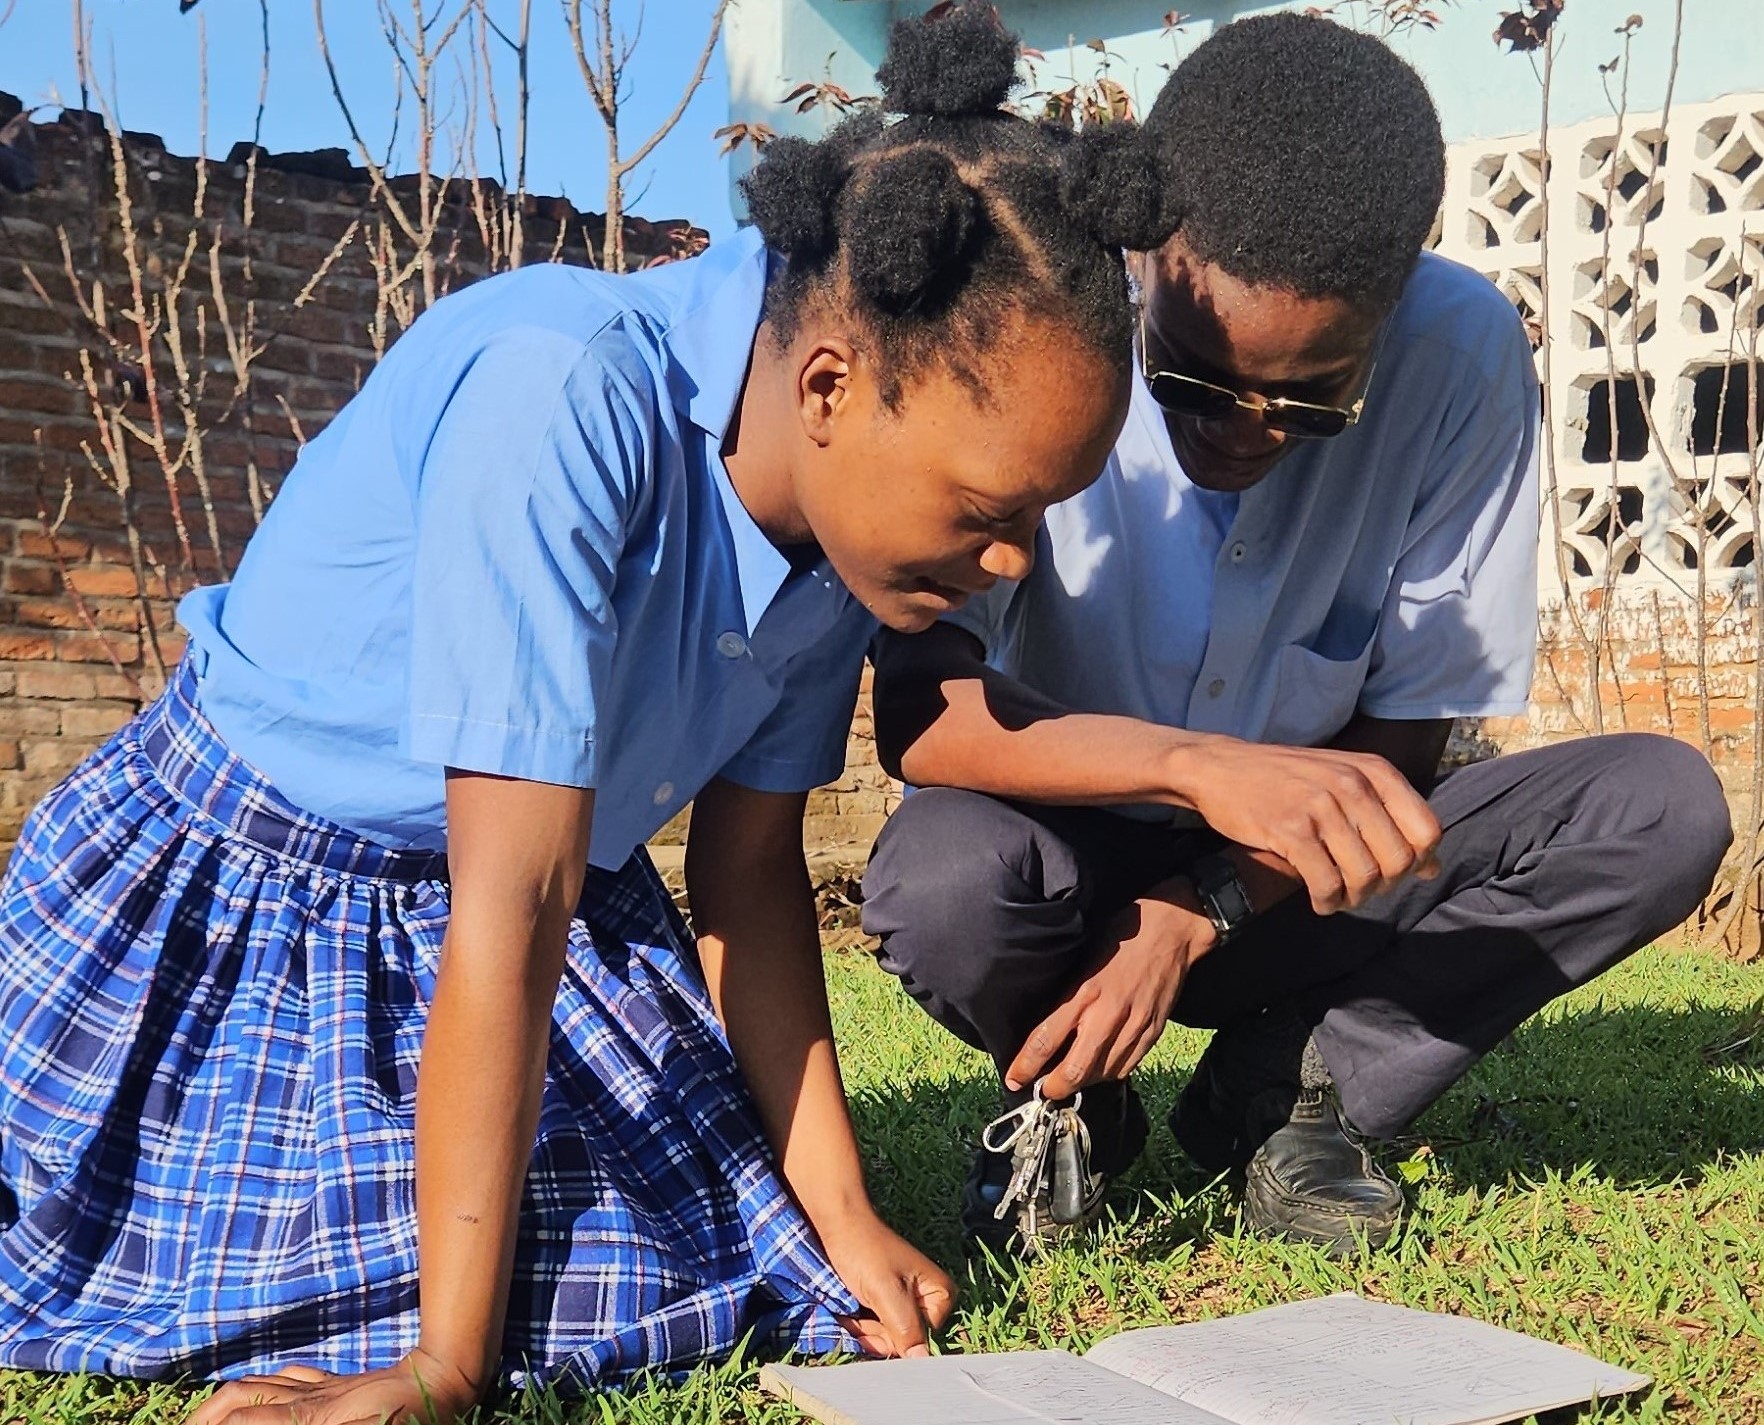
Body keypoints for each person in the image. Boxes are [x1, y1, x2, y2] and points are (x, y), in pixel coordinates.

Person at [0, 9, 1175, 1421]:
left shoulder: (850, 546)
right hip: (257, 902)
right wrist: (445, 1368)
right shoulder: (561, 395)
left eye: (1042, 517)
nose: (1017, 563)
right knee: (355, 1280)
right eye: (995, 514)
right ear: (827, 387)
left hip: (523, 914)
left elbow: (747, 878)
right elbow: (522, 896)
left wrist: (843, 1213)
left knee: (690, 1267)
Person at [865, 12, 1732, 1257]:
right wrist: (1191, 772)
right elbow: (921, 712)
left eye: (1310, 401)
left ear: (1388, 309)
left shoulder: (1461, 351)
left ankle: (1293, 1093)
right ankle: (1075, 1092)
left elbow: (1406, 742)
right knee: (941, 881)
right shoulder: (1046, 322)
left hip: (1299, 886)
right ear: (1147, 263)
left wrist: (1195, 907)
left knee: (1657, 805)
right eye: (1194, 383)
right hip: (1059, 863)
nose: (1245, 435)